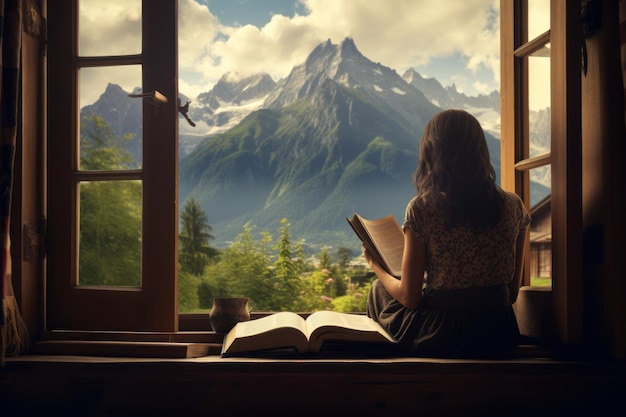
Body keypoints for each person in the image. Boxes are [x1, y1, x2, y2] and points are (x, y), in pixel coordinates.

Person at [364, 109, 531, 358]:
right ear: (480, 151)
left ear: (433, 152)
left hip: (443, 335)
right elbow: (512, 292)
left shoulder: (422, 208)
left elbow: (410, 298)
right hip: (499, 332)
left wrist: (376, 264)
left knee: (379, 290)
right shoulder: (514, 205)